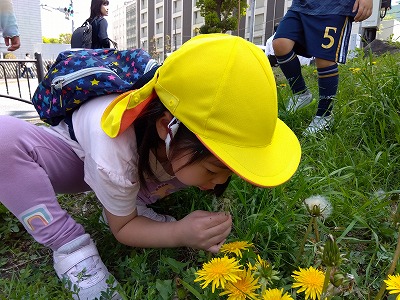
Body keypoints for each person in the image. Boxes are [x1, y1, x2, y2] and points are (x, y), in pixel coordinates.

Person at [0, 34, 301, 299]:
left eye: (229, 170)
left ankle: (128, 202)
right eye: (213, 170)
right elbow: (124, 229)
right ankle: (69, 247)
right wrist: (179, 233)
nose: (215, 184)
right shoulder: (113, 146)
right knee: (3, 139)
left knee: (184, 165)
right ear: (165, 126)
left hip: (140, 160)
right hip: (72, 158)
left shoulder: (175, 137)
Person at [273, 0, 373, 135]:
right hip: (301, 5)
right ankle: (301, 94)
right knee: (280, 44)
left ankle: (325, 115)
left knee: (325, 59)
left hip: (335, 7)